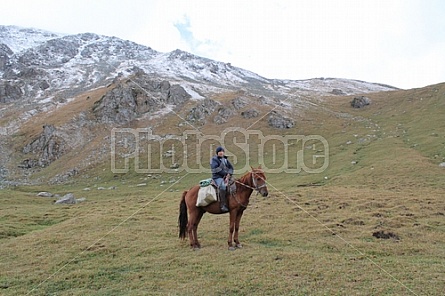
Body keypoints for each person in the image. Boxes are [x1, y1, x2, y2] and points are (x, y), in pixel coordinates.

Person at [210, 146, 234, 213]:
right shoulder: (214, 160)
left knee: (235, 184)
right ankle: (222, 205)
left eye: (222, 151)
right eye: (220, 151)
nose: (221, 153)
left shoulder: (225, 159)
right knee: (223, 186)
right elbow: (216, 169)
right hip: (217, 177)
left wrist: (229, 174)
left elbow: (231, 167)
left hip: (227, 176)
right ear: (217, 153)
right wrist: (226, 174)